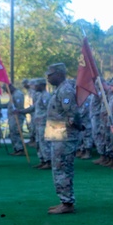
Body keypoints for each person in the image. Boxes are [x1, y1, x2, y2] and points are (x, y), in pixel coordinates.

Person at [45, 63, 82, 214]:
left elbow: (72, 114)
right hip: (57, 133)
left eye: (51, 74)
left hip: (64, 135)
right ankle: (64, 200)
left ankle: (67, 203)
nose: (48, 77)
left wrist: (73, 127)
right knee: (58, 168)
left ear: (59, 74)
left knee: (62, 168)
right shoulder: (59, 89)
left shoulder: (66, 90)